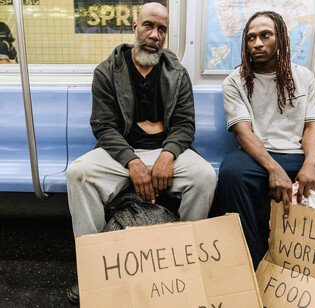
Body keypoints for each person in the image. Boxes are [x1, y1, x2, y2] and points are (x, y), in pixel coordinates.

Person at [65, 2, 216, 304]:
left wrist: (169, 154)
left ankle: (181, 261)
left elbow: (185, 124)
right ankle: (94, 268)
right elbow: (104, 126)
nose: (155, 34)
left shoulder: (177, 73)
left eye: (162, 29)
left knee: (205, 177)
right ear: (135, 27)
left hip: (164, 150)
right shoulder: (108, 71)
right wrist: (132, 161)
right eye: (149, 25)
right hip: (122, 151)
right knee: (77, 174)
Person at [215, 10, 315, 285]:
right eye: (251, 38)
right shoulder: (235, 81)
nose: (257, 43)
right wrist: (274, 168)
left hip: (300, 155)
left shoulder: (303, 77)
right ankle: (255, 273)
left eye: (265, 35)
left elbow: (312, 126)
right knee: (231, 176)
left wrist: (311, 164)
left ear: (281, 39)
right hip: (258, 156)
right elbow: (244, 133)